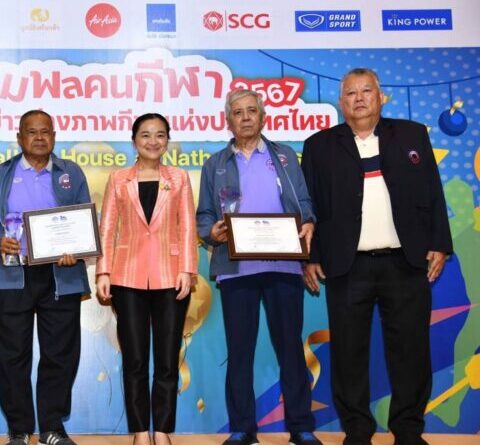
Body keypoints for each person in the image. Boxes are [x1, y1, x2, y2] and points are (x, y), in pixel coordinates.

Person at [301, 68, 452, 445]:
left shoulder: (412, 135)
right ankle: (357, 429)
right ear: (341, 102)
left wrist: (440, 243)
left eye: (366, 91)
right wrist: (310, 256)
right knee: (348, 353)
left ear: (380, 96)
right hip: (346, 265)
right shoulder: (319, 145)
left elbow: (433, 191)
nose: (359, 98)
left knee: (411, 351)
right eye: (351, 93)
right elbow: (309, 208)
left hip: (405, 262)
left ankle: (408, 429)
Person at [196, 90, 322, 445]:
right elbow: (204, 215)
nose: (246, 117)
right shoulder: (215, 164)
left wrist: (308, 221)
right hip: (237, 269)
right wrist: (211, 232)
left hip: (284, 266)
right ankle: (242, 429)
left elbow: (305, 202)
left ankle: (301, 427)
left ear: (263, 116)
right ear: (228, 120)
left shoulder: (284, 156)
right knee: (240, 352)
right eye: (238, 112)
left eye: (252, 110)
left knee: (290, 349)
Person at [0, 110, 91, 445]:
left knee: (61, 353)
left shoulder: (71, 173)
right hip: (12, 273)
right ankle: (19, 429)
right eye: (32, 132)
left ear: (54, 137)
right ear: (20, 138)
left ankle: (51, 428)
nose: (39, 137)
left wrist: (76, 248)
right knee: (12, 355)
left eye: (46, 131)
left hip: (61, 274)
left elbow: (84, 218)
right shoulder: (0, 174)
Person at [95, 113, 197, 445]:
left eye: (160, 135)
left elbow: (187, 226)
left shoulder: (179, 178)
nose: (153, 141)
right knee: (135, 360)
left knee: (167, 359)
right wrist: (103, 271)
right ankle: (140, 431)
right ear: (134, 140)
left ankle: (163, 430)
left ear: (167, 140)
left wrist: (187, 269)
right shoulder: (118, 178)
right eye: (145, 135)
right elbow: (107, 229)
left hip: (171, 277)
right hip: (127, 277)